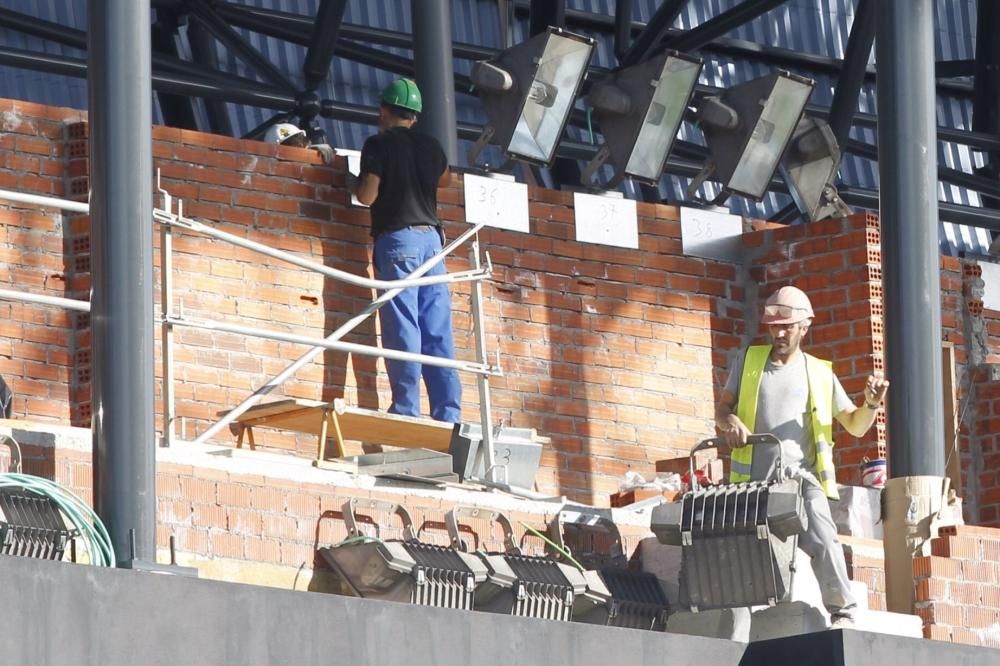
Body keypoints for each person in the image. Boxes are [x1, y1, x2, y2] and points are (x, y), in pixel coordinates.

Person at [715, 285, 889, 628]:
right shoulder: (749, 362)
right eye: (773, 326)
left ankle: (843, 612)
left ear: (804, 327)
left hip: (800, 480)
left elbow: (855, 425)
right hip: (753, 482)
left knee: (824, 537)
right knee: (744, 554)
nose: (779, 333)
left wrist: (870, 403)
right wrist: (729, 421)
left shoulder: (820, 374)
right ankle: (740, 622)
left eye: (787, 327)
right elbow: (722, 409)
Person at [350, 78, 461, 423]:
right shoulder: (431, 146)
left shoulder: (378, 144)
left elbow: (366, 196)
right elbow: (447, 180)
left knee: (403, 326)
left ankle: (406, 410)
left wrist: (348, 179)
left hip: (399, 241)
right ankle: (449, 413)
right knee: (437, 328)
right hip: (432, 242)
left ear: (383, 111)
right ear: (415, 116)